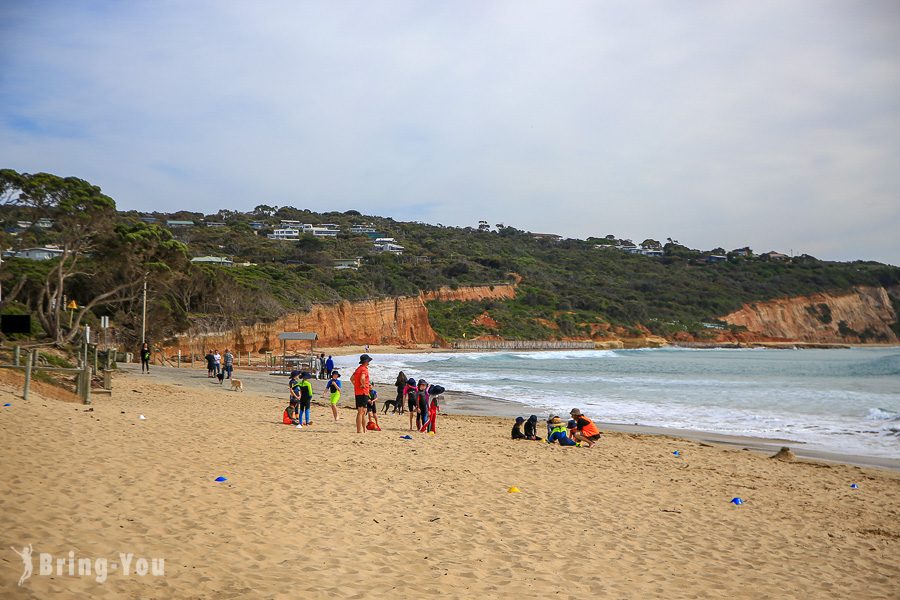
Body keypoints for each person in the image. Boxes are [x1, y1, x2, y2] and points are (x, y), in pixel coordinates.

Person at [350, 354, 373, 433]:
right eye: (368, 361)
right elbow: (362, 378)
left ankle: (363, 430)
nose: (369, 362)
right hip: (363, 392)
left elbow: (351, 379)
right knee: (361, 411)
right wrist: (363, 385)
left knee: (363, 411)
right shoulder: (364, 369)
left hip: (358, 392)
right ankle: (360, 430)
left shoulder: (358, 369)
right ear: (365, 361)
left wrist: (356, 385)